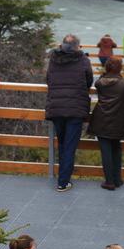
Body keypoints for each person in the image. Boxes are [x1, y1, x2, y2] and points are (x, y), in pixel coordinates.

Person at [45, 34, 94, 192]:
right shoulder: (83, 60)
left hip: (57, 107)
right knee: (70, 146)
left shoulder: (53, 59)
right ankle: (63, 181)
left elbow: (48, 79)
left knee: (62, 143)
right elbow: (89, 81)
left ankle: (62, 178)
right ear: (77, 46)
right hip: (75, 108)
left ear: (62, 45)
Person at [88, 58, 124, 190]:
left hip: (100, 119)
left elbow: (100, 81)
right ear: (120, 69)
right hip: (118, 120)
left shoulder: (99, 83)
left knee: (106, 151)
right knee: (116, 149)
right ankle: (117, 179)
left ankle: (109, 181)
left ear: (106, 68)